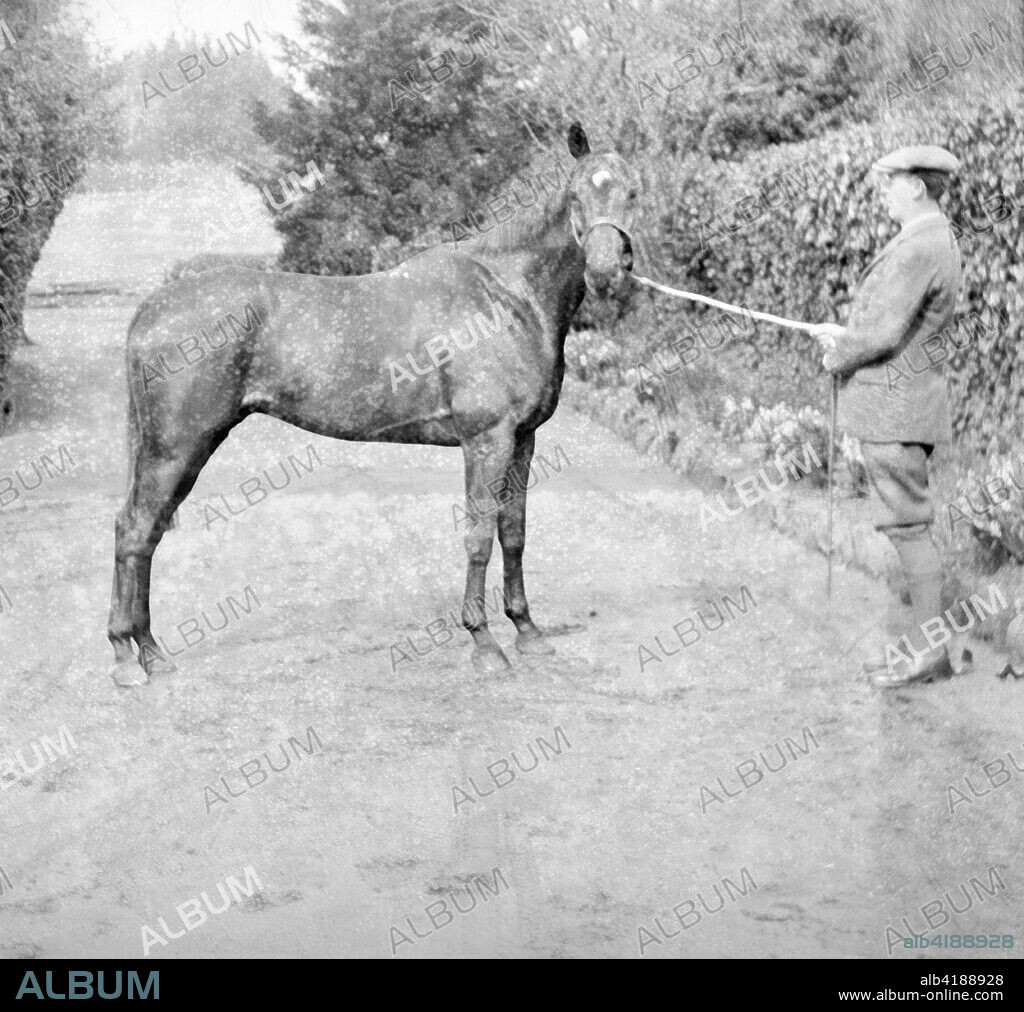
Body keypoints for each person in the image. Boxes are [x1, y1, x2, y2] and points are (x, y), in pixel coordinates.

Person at [810, 145, 962, 688]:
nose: (883, 191)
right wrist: (845, 335)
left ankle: (931, 654)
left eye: (889, 181)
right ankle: (925, 648)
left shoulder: (921, 246)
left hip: (897, 409)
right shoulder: (928, 239)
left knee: (909, 530)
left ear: (916, 187)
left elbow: (884, 333)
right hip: (902, 404)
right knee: (909, 527)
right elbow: (888, 324)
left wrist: (839, 351)